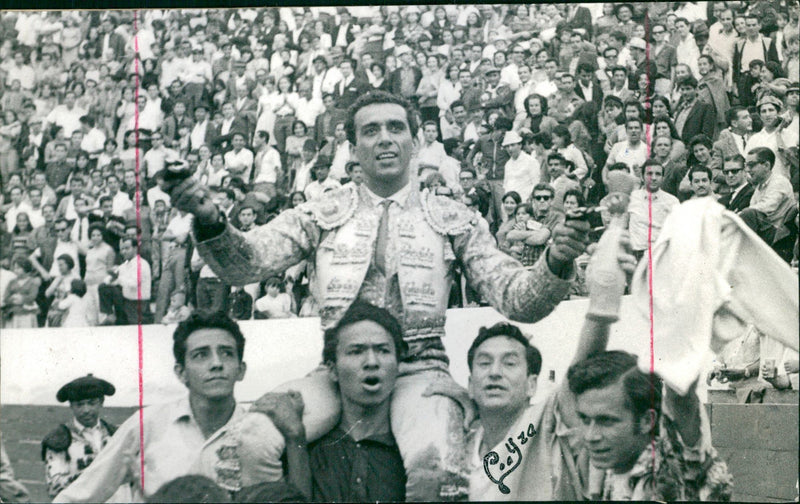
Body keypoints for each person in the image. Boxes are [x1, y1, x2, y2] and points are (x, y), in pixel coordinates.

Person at [166, 90, 591, 500]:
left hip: (421, 373)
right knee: (249, 442)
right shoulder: (321, 212)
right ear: (353, 148)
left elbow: (518, 298)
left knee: (437, 471)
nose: (384, 138)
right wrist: (208, 217)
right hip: (335, 373)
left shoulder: (452, 217)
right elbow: (247, 263)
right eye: (370, 131)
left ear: (415, 141)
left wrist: (555, 260)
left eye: (395, 128)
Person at [53, 312, 252, 502]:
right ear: (181, 372)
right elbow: (80, 495)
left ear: (241, 369)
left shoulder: (260, 432)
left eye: (227, 353)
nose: (216, 364)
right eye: (201, 355)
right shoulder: (147, 425)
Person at [252, 301, 407, 502]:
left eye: (383, 350)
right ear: (332, 369)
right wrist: (295, 439)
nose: (372, 362)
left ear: (398, 365)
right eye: (356, 351)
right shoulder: (306, 446)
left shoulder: (410, 453)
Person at [42, 374, 132, 500]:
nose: (86, 410)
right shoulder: (60, 439)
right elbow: (54, 487)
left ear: (101, 402)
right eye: (79, 404)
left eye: (91, 403)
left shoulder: (116, 434)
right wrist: (95, 474)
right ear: (71, 406)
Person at [627, 160, 679, 261]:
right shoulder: (632, 198)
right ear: (642, 177)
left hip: (661, 255)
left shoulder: (672, 201)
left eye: (658, 174)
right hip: (636, 255)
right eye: (649, 174)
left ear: (663, 178)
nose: (654, 178)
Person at [97, 237, 152, 325]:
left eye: (127, 248)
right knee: (103, 287)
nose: (124, 252)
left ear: (135, 248)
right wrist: (112, 277)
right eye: (122, 249)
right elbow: (107, 280)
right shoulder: (125, 265)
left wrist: (118, 279)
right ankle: (110, 315)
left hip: (139, 304)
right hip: (126, 301)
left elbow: (133, 284)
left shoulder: (141, 264)